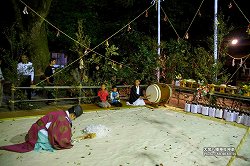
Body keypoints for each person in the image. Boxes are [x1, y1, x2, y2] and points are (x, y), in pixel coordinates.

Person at [0, 105, 83, 153]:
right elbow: (60, 137)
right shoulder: (63, 120)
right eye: (74, 118)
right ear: (73, 115)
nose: (73, 119)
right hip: (38, 133)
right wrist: (67, 142)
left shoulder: (60, 112)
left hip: (34, 128)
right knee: (53, 143)